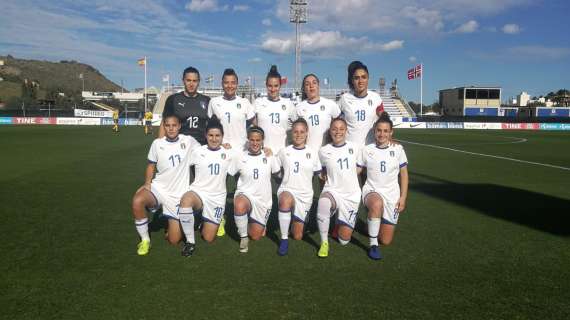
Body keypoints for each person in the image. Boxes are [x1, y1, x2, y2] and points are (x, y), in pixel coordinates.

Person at [131, 114, 200, 255]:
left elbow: (205, 152)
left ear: (179, 126)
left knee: (173, 240)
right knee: (138, 200)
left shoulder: (189, 141)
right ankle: (145, 241)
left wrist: (223, 145)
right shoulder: (157, 143)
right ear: (164, 126)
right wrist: (147, 184)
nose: (171, 128)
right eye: (167, 125)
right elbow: (151, 165)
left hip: (177, 195)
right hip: (159, 188)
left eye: (174, 125)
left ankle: (170, 218)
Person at [177, 117, 238, 257]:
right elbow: (181, 165)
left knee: (209, 238)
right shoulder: (198, 151)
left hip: (217, 198)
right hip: (198, 192)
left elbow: (245, 162)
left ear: (222, 137)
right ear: (205, 135)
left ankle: (201, 217)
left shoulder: (230, 154)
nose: (214, 139)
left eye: (217, 136)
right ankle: (190, 242)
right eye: (211, 135)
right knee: (186, 201)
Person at [360, 113, 408, 260]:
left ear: (391, 132)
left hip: (392, 195)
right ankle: (373, 245)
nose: (382, 134)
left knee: (386, 240)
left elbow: (404, 175)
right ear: (374, 131)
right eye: (379, 130)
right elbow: (357, 171)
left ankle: (374, 221)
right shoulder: (367, 150)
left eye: (386, 131)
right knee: (376, 203)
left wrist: (403, 198)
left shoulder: (398, 149)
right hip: (372, 191)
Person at [316, 117, 363, 258]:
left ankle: (338, 224)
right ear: (330, 131)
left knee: (343, 240)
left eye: (341, 129)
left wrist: (347, 176)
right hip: (333, 190)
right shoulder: (323, 151)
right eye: (334, 129)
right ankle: (324, 243)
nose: (338, 132)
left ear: (346, 131)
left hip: (351, 195)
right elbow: (322, 173)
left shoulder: (355, 148)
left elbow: (359, 169)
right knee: (323, 203)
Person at [275, 118, 322, 256]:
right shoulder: (284, 151)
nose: (298, 134)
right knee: (284, 200)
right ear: (291, 133)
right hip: (287, 189)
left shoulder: (313, 153)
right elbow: (275, 170)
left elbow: (319, 174)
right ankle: (284, 239)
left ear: (307, 133)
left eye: (302, 132)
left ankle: (300, 219)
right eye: (295, 131)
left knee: (297, 235)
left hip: (305, 195)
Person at [232, 126, 280, 253]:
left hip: (263, 201)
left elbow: (277, 174)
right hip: (245, 194)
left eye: (258, 140)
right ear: (248, 140)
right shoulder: (240, 156)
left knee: (257, 236)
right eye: (252, 140)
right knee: (239, 204)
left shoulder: (269, 156)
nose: (255, 143)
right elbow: (230, 172)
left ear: (262, 140)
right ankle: (243, 237)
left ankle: (247, 221)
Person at [338, 61, 384, 145]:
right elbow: (335, 123)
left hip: (370, 149)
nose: (360, 81)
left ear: (368, 79)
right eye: (356, 78)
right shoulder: (344, 99)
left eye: (363, 77)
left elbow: (384, 121)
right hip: (350, 150)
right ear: (352, 80)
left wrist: (390, 138)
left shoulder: (376, 98)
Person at [160, 67, 210, 145]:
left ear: (199, 82)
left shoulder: (207, 100)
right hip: (179, 147)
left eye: (194, 81)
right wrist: (160, 145)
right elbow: (164, 123)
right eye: (188, 80)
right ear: (183, 80)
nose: (191, 84)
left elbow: (213, 126)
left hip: (201, 147)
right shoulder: (173, 99)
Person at [208, 68, 255, 151]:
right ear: (222, 84)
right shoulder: (214, 102)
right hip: (221, 149)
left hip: (242, 150)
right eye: (226, 83)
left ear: (237, 84)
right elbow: (209, 127)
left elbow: (253, 122)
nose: (230, 86)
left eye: (233, 83)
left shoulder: (245, 102)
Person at [253, 65, 296, 154]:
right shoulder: (258, 102)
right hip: (263, 153)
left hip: (283, 153)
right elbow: (253, 129)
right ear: (266, 85)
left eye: (276, 86)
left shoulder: (288, 104)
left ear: (280, 86)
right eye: (270, 86)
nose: (273, 89)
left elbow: (297, 127)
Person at [296, 74, 341, 151]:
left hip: (328, 151)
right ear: (304, 88)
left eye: (314, 83)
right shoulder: (299, 108)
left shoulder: (330, 104)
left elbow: (339, 127)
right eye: (307, 84)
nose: (311, 86)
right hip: (307, 153)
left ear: (318, 85)